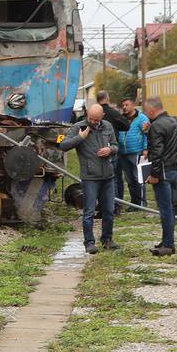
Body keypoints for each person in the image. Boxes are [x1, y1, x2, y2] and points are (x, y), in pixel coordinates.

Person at [55, 103, 118, 254]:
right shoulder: (78, 127)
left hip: (108, 176)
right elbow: (63, 145)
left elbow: (116, 145)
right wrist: (80, 137)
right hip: (90, 177)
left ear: (102, 117)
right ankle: (89, 242)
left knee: (109, 210)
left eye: (97, 120)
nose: (94, 122)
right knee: (89, 212)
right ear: (87, 115)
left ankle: (107, 239)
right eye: (92, 119)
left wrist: (110, 150)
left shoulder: (108, 126)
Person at [143, 95, 177, 256]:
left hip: (163, 173)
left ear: (152, 110)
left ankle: (168, 244)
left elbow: (157, 153)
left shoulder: (156, 126)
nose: (145, 113)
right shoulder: (172, 121)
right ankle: (167, 240)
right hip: (175, 171)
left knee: (165, 209)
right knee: (170, 208)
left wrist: (154, 175)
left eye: (146, 110)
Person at [116, 97, 149, 207]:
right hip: (123, 153)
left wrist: (145, 149)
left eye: (126, 105)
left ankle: (142, 203)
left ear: (133, 105)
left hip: (137, 152)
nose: (124, 107)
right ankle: (134, 203)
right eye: (123, 105)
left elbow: (147, 135)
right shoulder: (121, 118)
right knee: (129, 180)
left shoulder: (142, 118)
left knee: (139, 178)